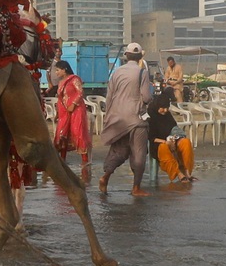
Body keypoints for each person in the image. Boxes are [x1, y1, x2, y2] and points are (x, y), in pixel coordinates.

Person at [98, 44, 150, 197]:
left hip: (118, 118)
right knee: (139, 153)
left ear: (126, 56)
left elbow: (109, 96)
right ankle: (136, 188)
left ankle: (105, 176)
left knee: (118, 150)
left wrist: (109, 117)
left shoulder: (116, 72)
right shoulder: (142, 72)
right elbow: (146, 96)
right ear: (140, 57)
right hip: (136, 118)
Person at [49, 60, 91, 183]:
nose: (56, 72)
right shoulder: (61, 82)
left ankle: (85, 161)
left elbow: (80, 92)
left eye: (58, 70)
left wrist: (73, 104)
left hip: (76, 110)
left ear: (64, 69)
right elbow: (60, 99)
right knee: (62, 134)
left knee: (78, 133)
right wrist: (58, 113)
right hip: (65, 112)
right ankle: (62, 160)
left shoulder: (74, 79)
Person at [150, 80, 194, 183]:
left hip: (172, 140)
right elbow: (151, 137)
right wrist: (166, 142)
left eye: (166, 108)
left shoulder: (167, 115)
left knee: (186, 142)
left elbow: (174, 127)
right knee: (164, 148)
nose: (165, 111)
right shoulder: (151, 116)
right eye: (162, 108)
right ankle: (178, 174)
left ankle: (187, 172)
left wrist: (175, 138)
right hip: (158, 144)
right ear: (157, 106)